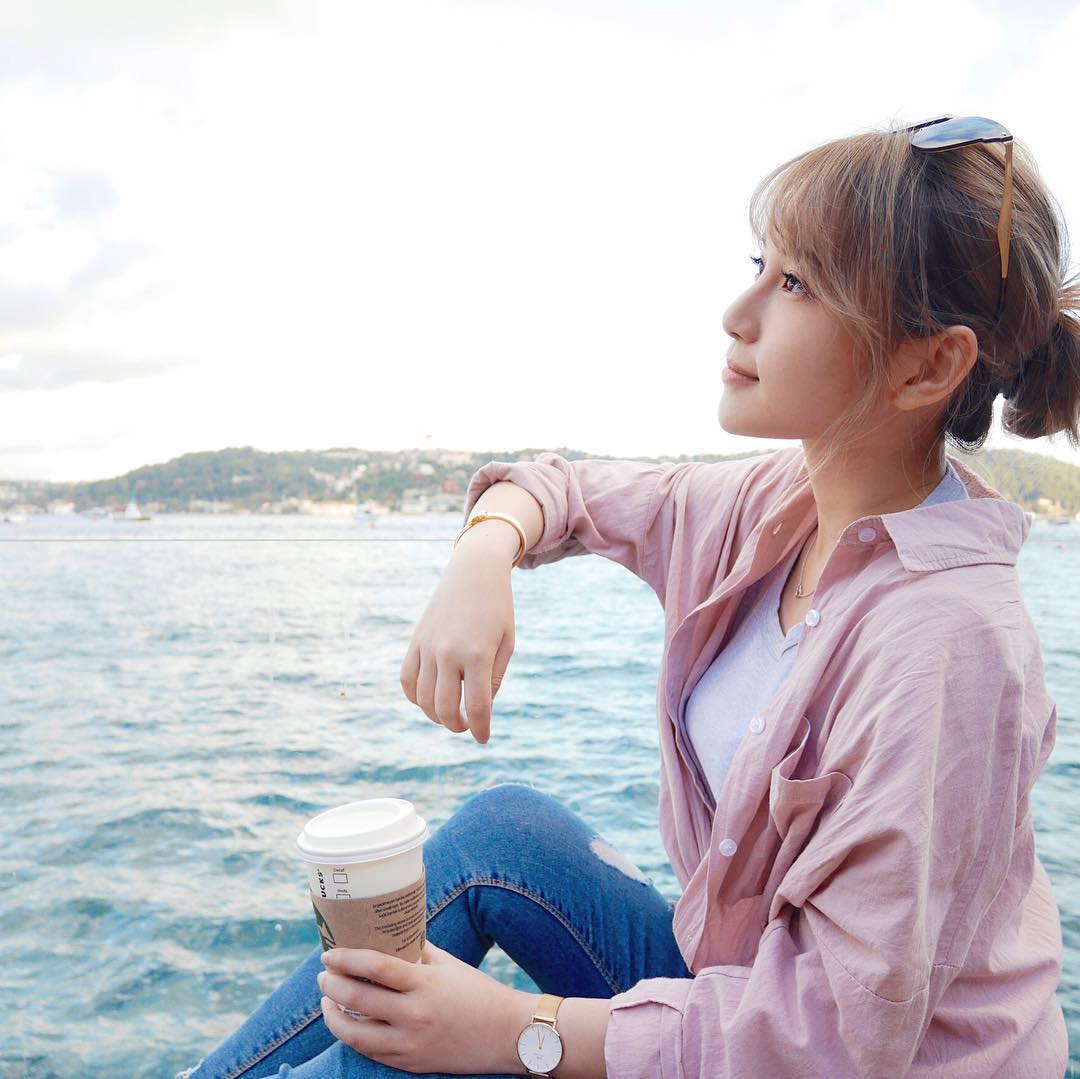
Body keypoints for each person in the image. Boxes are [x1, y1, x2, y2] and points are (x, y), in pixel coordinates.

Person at [178, 115, 1077, 1077]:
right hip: (739, 992)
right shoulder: (778, 505)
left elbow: (832, 1040)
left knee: (385, 1053)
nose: (738, 313)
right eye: (761, 265)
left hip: (849, 1058)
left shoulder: (947, 644)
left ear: (927, 364)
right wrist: (484, 553)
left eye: (797, 285)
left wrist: (512, 1028)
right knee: (503, 832)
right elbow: (569, 490)